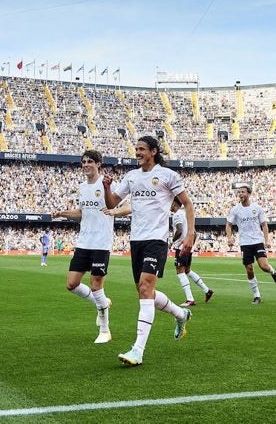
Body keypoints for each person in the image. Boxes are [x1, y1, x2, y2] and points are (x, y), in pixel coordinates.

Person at [103, 135, 195, 367]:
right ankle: (181, 314)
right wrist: (106, 187)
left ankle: (138, 350)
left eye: (142, 149)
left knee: (145, 288)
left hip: (157, 239)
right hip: (137, 241)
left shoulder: (167, 175)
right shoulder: (132, 177)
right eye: (136, 149)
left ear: (153, 151)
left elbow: (187, 203)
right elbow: (113, 202)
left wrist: (191, 233)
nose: (138, 152)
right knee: (147, 293)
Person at [51, 150, 115, 344]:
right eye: (84, 162)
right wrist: (62, 213)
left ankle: (105, 330)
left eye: (90, 162)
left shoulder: (106, 183)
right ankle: (102, 303)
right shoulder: (81, 187)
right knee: (71, 284)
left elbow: (117, 204)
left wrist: (112, 206)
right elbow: (82, 212)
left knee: (97, 286)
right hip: (83, 242)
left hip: (101, 243)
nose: (86, 165)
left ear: (98, 164)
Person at [225, 184, 275, 304]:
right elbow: (228, 224)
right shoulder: (235, 210)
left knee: (264, 266)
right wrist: (229, 238)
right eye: (239, 192)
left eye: (243, 192)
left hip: (258, 241)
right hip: (245, 243)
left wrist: (267, 240)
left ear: (248, 194)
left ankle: (273, 271)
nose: (240, 194)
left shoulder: (257, 208)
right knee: (249, 269)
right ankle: (257, 295)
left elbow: (264, 224)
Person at [171, 198, 213, 306]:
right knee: (188, 271)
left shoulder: (176, 215)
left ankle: (190, 299)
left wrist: (171, 242)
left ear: (174, 204)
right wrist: (190, 246)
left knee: (180, 271)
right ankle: (207, 290)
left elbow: (179, 231)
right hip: (188, 247)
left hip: (181, 247)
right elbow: (194, 233)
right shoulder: (185, 214)